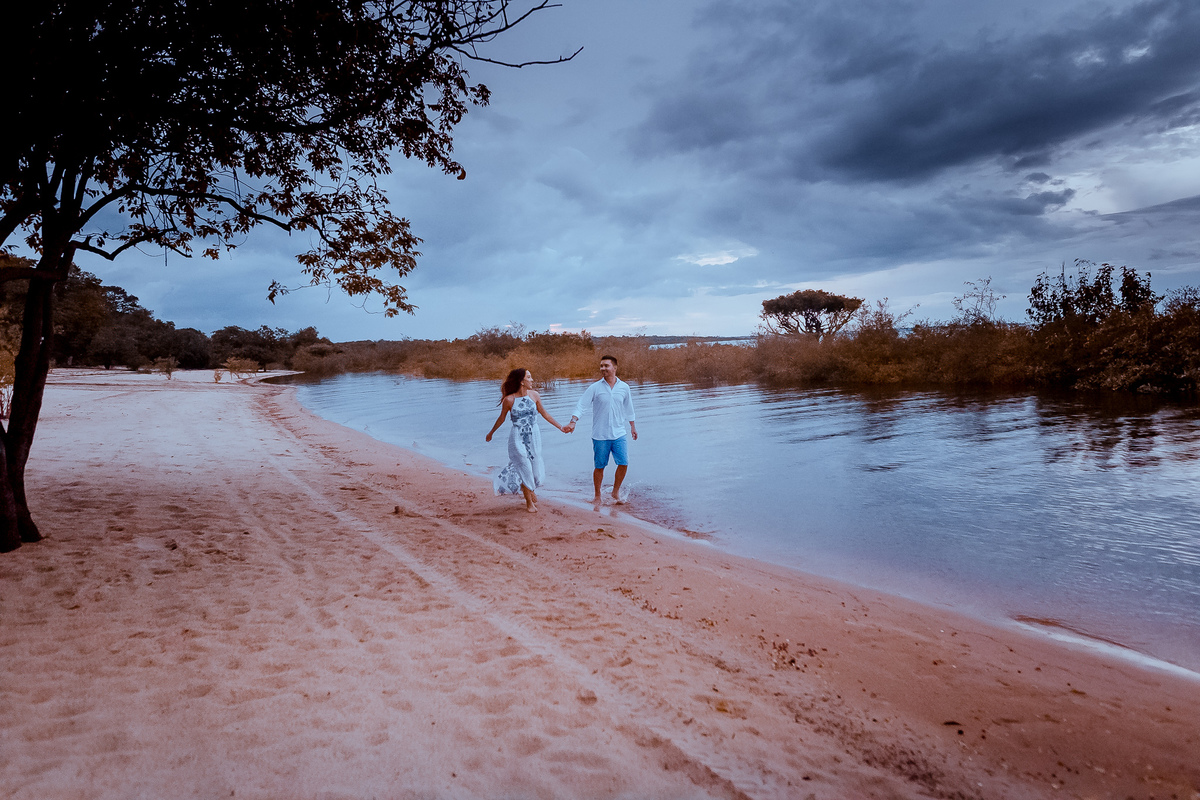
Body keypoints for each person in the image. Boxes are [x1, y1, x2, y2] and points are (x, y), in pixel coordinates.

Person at [486, 368, 563, 513]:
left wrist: (560, 427)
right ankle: (529, 502)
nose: (532, 380)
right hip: (517, 436)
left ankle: (531, 487)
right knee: (524, 467)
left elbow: (545, 414)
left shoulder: (535, 395)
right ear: (522, 381)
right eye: (529, 377)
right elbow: (502, 418)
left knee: (535, 469)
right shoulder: (509, 400)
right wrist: (491, 433)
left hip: (534, 435)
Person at [563, 355, 637, 504]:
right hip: (600, 434)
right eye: (601, 366)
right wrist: (573, 421)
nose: (603, 368)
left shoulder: (624, 387)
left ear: (614, 368)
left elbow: (629, 408)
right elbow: (581, 405)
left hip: (619, 433)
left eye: (606, 366)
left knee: (623, 463)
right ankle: (597, 495)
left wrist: (632, 426)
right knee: (599, 466)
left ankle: (615, 492)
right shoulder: (595, 388)